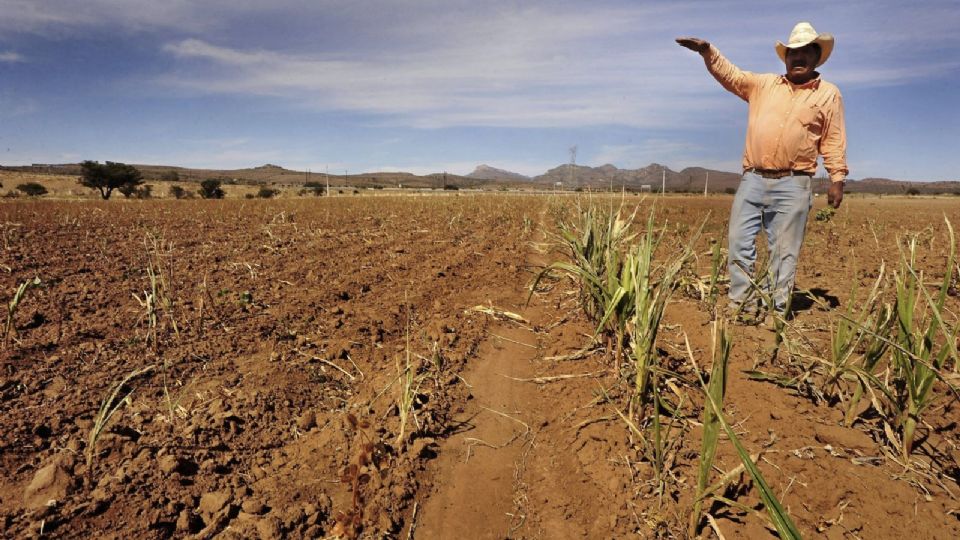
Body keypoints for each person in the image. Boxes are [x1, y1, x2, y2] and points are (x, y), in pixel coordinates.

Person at [677, 22, 847, 320]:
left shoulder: (828, 94)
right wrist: (707, 51)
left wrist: (837, 178)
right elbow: (731, 75)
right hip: (753, 179)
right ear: (785, 58)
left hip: (795, 183)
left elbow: (833, 138)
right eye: (793, 52)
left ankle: (775, 312)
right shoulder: (763, 84)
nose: (798, 58)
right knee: (739, 244)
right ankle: (742, 308)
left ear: (817, 58)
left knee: (784, 252)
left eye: (806, 52)